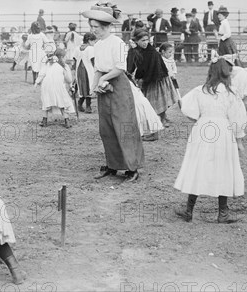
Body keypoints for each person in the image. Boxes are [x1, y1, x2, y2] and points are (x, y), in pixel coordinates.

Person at [173, 58, 246, 224]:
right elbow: (237, 118)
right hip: (223, 131)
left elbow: (184, 106)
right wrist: (239, 140)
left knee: (198, 166)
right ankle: (223, 213)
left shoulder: (201, 90)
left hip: (203, 130)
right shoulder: (231, 93)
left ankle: (188, 210)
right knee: (223, 168)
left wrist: (200, 119)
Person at [84, 10, 144, 182]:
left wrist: (103, 78)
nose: (93, 30)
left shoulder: (116, 42)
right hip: (104, 87)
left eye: (96, 27)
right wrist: (94, 87)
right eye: (92, 27)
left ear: (106, 26)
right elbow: (97, 69)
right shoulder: (98, 44)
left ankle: (132, 168)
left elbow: (120, 68)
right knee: (107, 128)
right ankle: (113, 165)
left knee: (124, 126)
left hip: (118, 86)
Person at [127, 29, 179, 133]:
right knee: (148, 102)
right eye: (142, 40)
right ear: (136, 41)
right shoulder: (134, 51)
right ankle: (155, 119)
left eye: (147, 40)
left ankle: (163, 118)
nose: (145, 42)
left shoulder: (152, 52)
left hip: (157, 78)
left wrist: (144, 79)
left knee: (159, 100)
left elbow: (152, 67)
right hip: (145, 79)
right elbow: (131, 66)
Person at [33, 49, 74, 128]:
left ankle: (44, 121)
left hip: (46, 85)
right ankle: (67, 121)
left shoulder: (48, 64)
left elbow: (41, 74)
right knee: (62, 102)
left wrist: (36, 82)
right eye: (64, 57)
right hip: (58, 85)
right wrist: (70, 85)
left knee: (46, 102)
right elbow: (69, 79)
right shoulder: (64, 66)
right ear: (61, 57)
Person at [74, 32, 96, 113]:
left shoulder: (77, 48)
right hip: (88, 70)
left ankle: (80, 104)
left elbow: (75, 59)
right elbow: (93, 60)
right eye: (94, 41)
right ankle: (88, 106)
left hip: (79, 69)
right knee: (89, 87)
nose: (94, 43)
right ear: (89, 40)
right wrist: (96, 69)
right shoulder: (90, 49)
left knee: (82, 87)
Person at [160, 43, 181, 108]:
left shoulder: (171, 60)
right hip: (164, 80)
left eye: (172, 52)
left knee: (176, 93)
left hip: (172, 79)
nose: (171, 54)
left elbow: (174, 68)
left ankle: (180, 104)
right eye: (169, 52)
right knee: (164, 95)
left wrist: (174, 74)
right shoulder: (160, 59)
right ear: (163, 52)